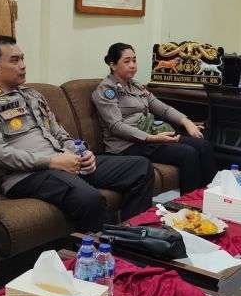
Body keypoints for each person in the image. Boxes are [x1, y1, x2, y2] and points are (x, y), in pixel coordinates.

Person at [0, 36, 154, 231]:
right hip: (27, 176)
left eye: (22, 58)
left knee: (140, 168)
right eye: (14, 60)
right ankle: (110, 247)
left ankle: (134, 234)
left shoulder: (33, 95)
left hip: (64, 161)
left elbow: (59, 133)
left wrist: (82, 152)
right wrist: (51, 162)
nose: (22, 65)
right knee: (89, 198)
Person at [92, 43, 217, 194]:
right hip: (127, 145)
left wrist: (186, 122)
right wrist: (151, 138)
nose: (132, 65)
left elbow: (162, 108)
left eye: (134, 60)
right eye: (127, 61)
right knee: (188, 153)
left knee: (204, 145)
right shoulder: (106, 90)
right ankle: (188, 204)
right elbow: (116, 126)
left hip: (151, 135)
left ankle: (211, 197)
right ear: (113, 65)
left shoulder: (136, 86)